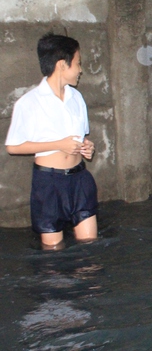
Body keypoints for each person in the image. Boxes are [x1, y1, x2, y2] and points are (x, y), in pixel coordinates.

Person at [5, 33, 98, 249]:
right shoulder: (29, 102)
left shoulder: (76, 98)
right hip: (49, 183)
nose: (81, 70)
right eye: (78, 64)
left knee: (90, 249)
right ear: (61, 65)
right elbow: (13, 147)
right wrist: (58, 144)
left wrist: (87, 147)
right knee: (54, 257)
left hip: (79, 178)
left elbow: (82, 138)